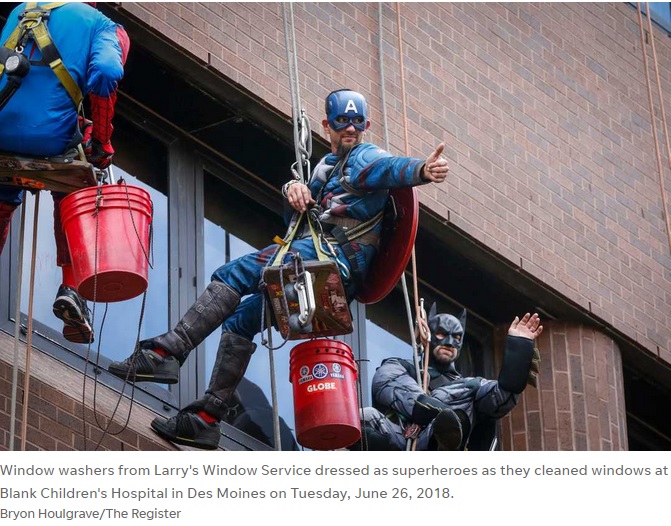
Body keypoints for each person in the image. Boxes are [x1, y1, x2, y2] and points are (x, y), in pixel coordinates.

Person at [108, 88, 449, 450]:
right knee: (240, 320)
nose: (350, 129)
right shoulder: (323, 168)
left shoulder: (365, 156)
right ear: (326, 125)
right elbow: (295, 223)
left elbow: (388, 168)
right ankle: (206, 418)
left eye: (357, 122)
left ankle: (165, 353)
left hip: (328, 259)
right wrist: (293, 190)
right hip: (321, 268)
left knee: (232, 274)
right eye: (342, 122)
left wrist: (421, 171)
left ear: (366, 124)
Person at [0, 2, 129, 343]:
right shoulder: (103, 25)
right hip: (48, 138)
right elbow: (105, 72)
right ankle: (72, 287)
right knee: (76, 182)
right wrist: (102, 141)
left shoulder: (19, 12)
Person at [356, 306, 542, 451]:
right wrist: (427, 405)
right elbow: (385, 382)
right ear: (427, 333)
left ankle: (444, 440)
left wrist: (518, 354)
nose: (449, 342)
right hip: (400, 439)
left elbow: (499, 397)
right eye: (442, 334)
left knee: (468, 392)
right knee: (364, 416)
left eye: (456, 337)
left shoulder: (470, 387)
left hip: (442, 448)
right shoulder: (402, 366)